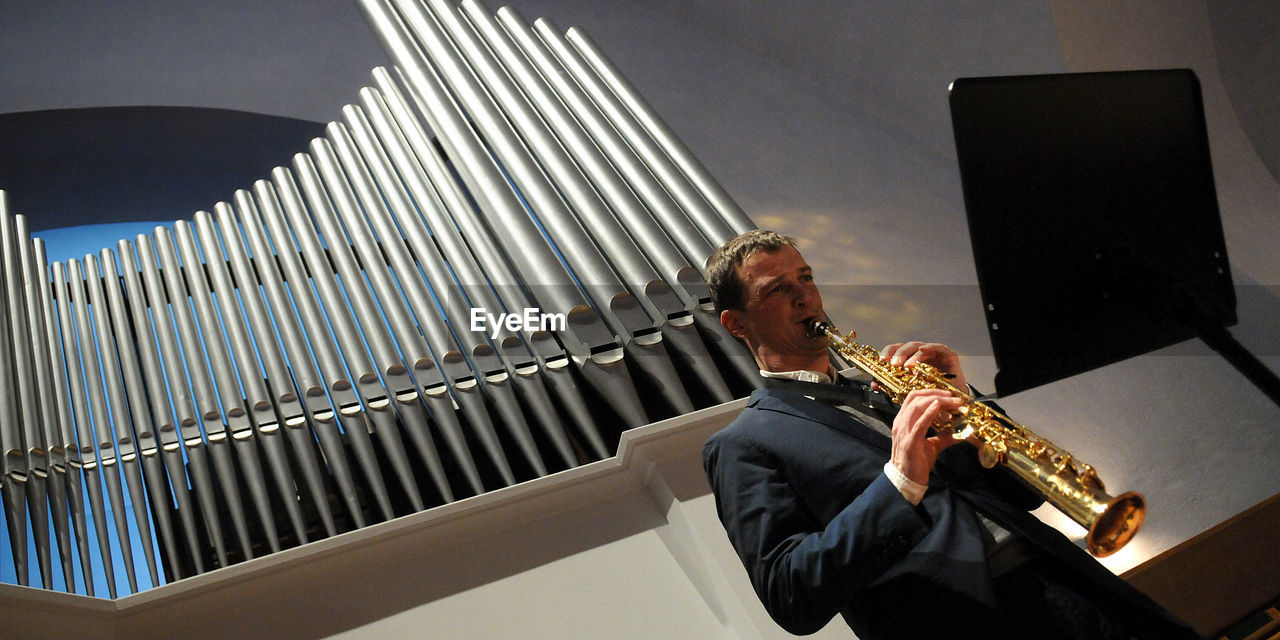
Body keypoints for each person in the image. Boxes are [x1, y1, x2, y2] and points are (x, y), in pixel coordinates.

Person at [701, 230, 1203, 640]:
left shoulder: (888, 387)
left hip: (1076, 589)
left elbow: (1021, 493)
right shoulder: (744, 444)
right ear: (736, 324)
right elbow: (791, 594)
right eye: (777, 289)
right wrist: (899, 481)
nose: (805, 296)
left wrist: (967, 399)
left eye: (805, 277)